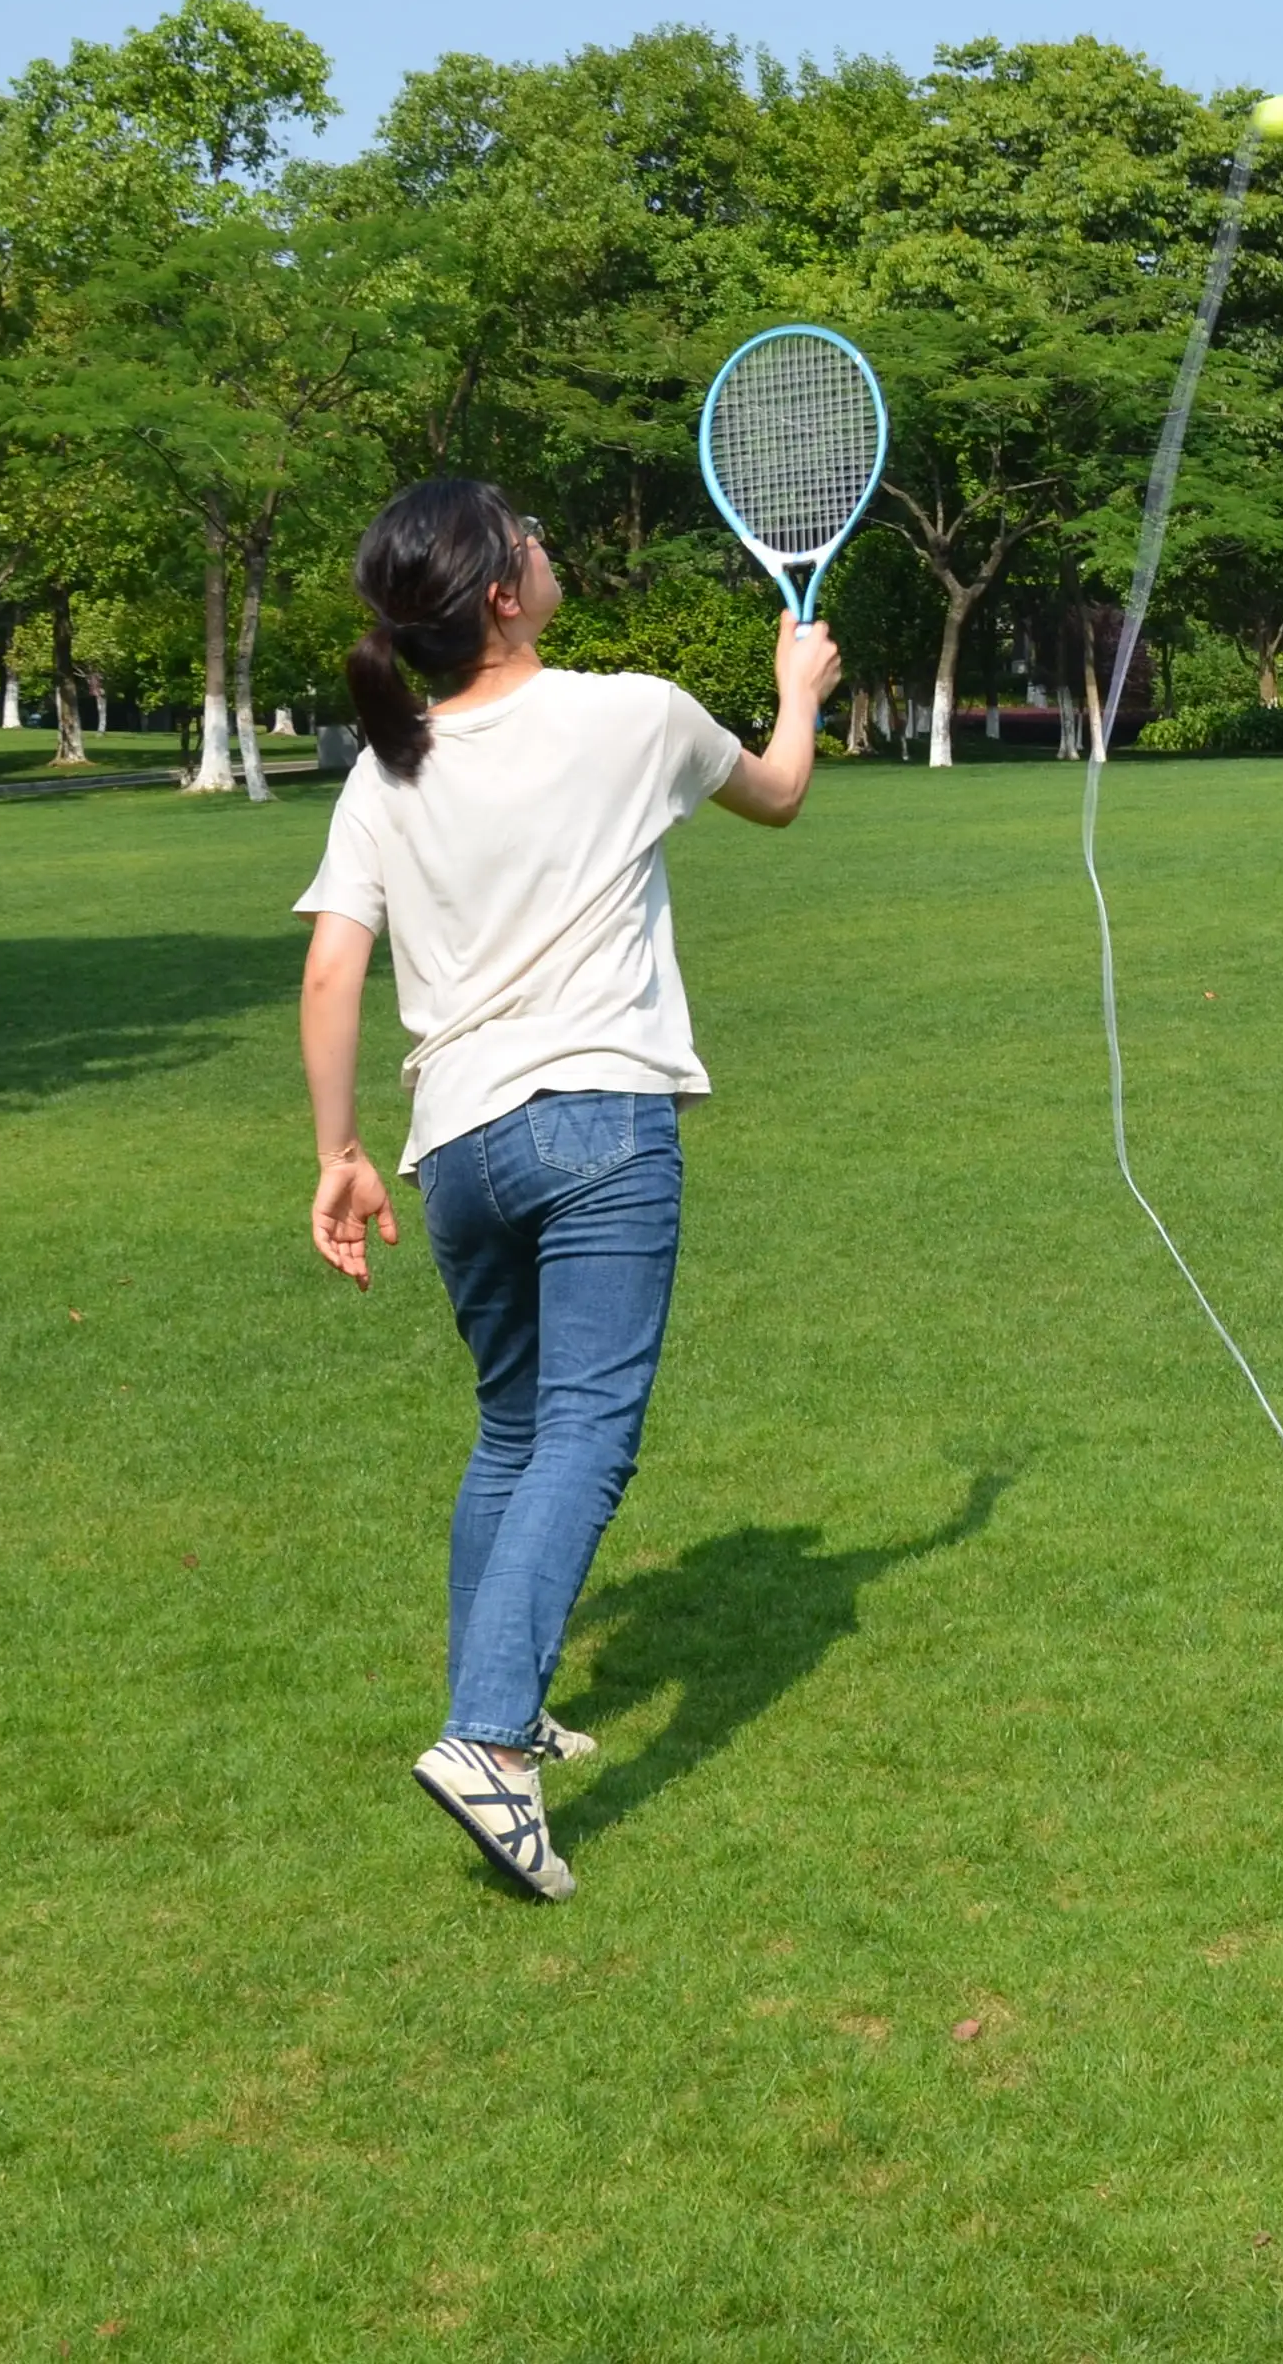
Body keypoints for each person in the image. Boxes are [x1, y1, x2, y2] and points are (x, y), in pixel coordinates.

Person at [292, 479, 839, 1900]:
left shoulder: (387, 768)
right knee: (587, 1435)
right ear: (500, 594)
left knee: (515, 1431)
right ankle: (487, 1742)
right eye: (526, 532)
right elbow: (777, 796)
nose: (548, 541)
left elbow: (334, 966)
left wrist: (337, 1153)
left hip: (457, 1147)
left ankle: (504, 1704)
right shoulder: (630, 712)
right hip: (598, 1121)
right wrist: (799, 686)